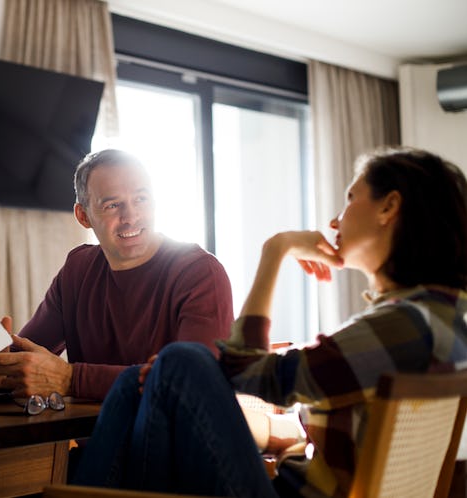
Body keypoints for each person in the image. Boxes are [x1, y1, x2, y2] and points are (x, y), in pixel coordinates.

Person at [72, 147, 467, 497]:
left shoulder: (401, 327)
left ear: (388, 208)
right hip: (304, 478)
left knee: (181, 361)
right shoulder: (442, 322)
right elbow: (335, 422)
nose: (334, 219)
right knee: (135, 381)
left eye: (350, 199)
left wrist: (274, 251)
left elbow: (247, 375)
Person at [0, 149, 234, 401]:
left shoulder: (200, 273)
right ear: (83, 216)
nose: (131, 216)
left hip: (172, 448)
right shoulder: (77, 270)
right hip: (93, 442)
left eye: (141, 199)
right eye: (113, 205)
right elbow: (28, 350)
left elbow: (195, 384)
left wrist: (71, 379)